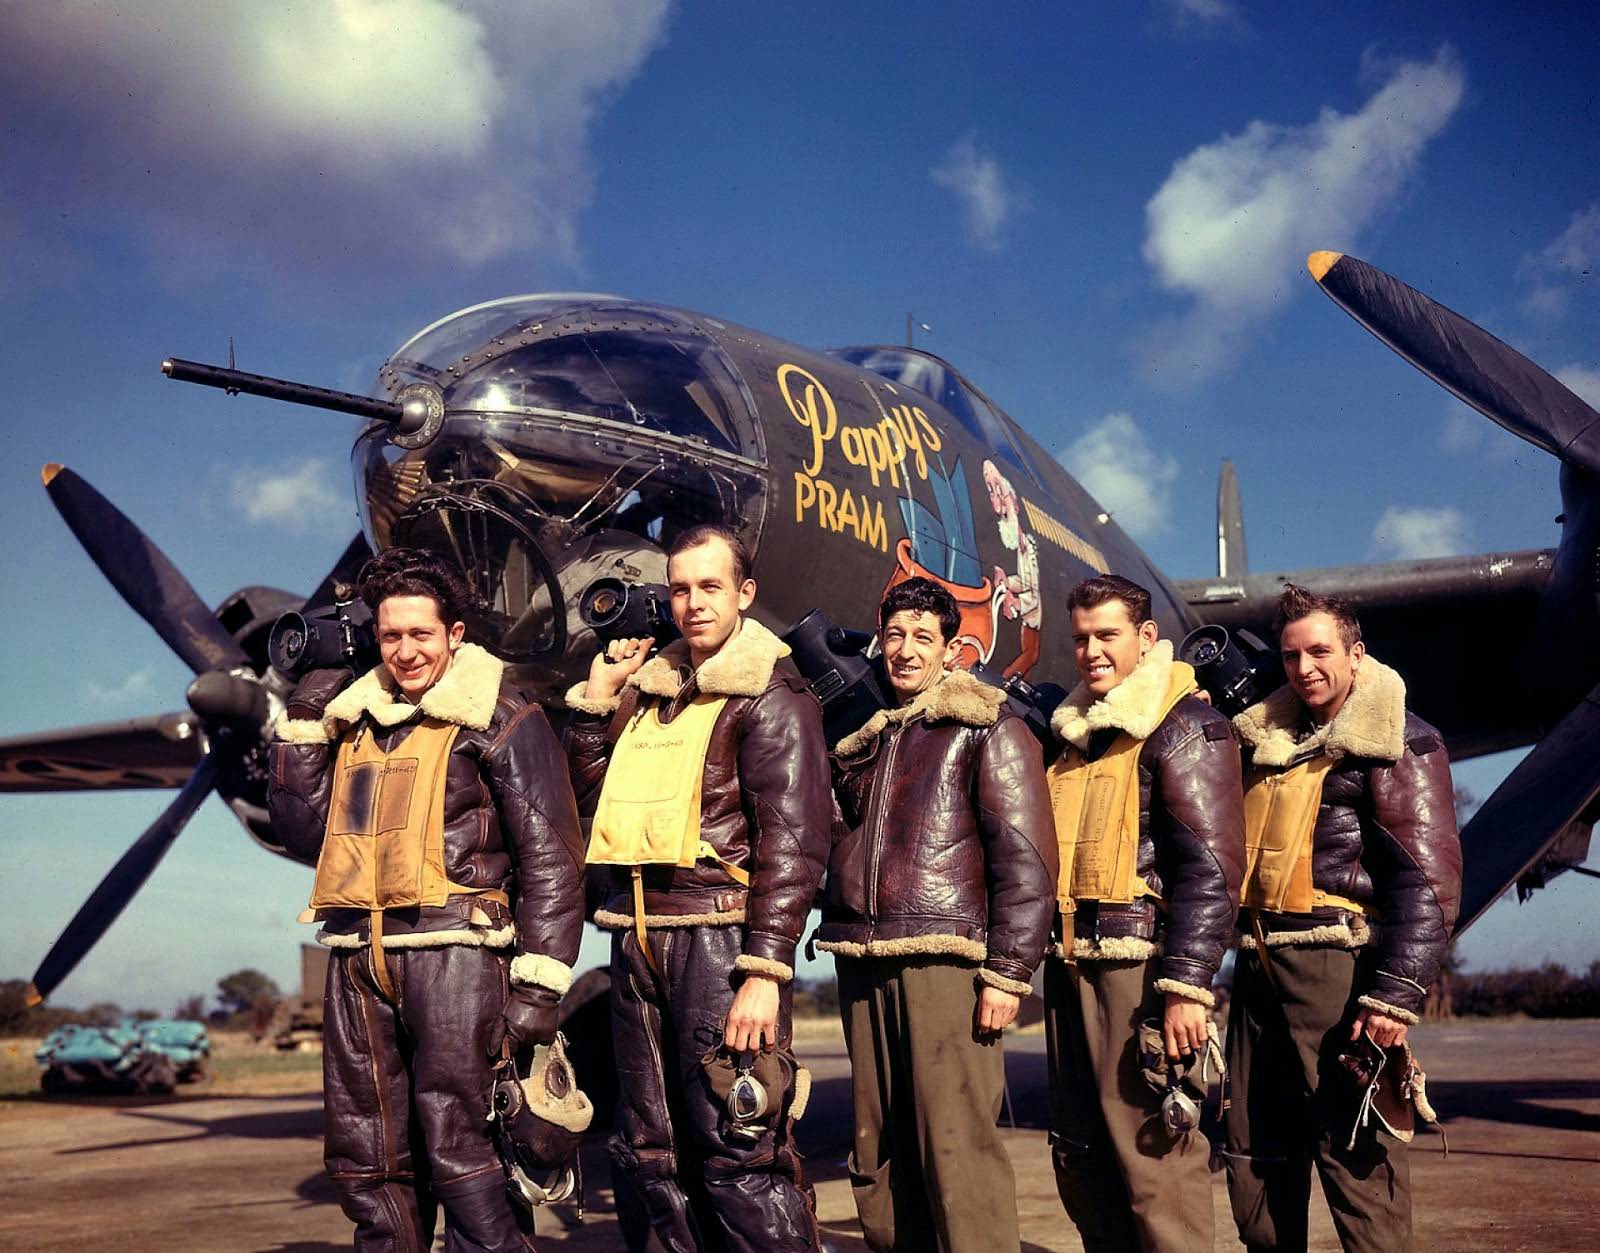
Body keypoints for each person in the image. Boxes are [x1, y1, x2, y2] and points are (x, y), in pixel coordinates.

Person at [268, 547, 586, 1251]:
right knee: (366, 1158)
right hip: (357, 959)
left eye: (421, 634)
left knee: (463, 1152)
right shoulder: (352, 722)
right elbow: (299, 827)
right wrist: (301, 718)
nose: (406, 651)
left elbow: (553, 859)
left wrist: (538, 986)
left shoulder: (501, 714)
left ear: (455, 634)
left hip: (457, 955)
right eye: (390, 636)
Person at [564, 523, 831, 1253]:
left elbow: (796, 842)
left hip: (721, 941)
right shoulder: (654, 695)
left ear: (744, 593)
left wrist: (766, 972)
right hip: (638, 938)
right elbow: (592, 802)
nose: (693, 603)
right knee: (651, 1153)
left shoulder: (773, 696)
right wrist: (597, 701)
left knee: (739, 1153)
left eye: (710, 586)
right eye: (680, 588)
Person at [815, 576, 1056, 1253]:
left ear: (953, 649)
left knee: (958, 1154)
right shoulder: (865, 741)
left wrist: (1010, 973)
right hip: (864, 961)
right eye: (894, 635)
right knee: (878, 1156)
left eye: (923, 637)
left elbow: (1026, 856)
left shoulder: (988, 723)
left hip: (945, 962)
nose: (905, 650)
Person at [1223, 584, 1461, 1253]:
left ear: (1356, 653)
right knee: (1255, 1153)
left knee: (1356, 1153)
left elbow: (1428, 880)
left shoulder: (1401, 739)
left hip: (1337, 965)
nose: (1304, 668)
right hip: (1257, 964)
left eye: (1320, 650)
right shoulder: (1268, 740)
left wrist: (1395, 994)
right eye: (1291, 654)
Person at [1044, 573, 1244, 1253]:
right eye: (1081, 638)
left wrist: (1187, 986)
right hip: (1071, 964)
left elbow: (1210, 869)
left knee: (1155, 1167)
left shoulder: (1186, 724)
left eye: (1108, 635)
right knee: (1084, 1161)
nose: (1092, 651)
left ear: (1146, 637)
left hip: (1140, 972)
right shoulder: (1075, 734)